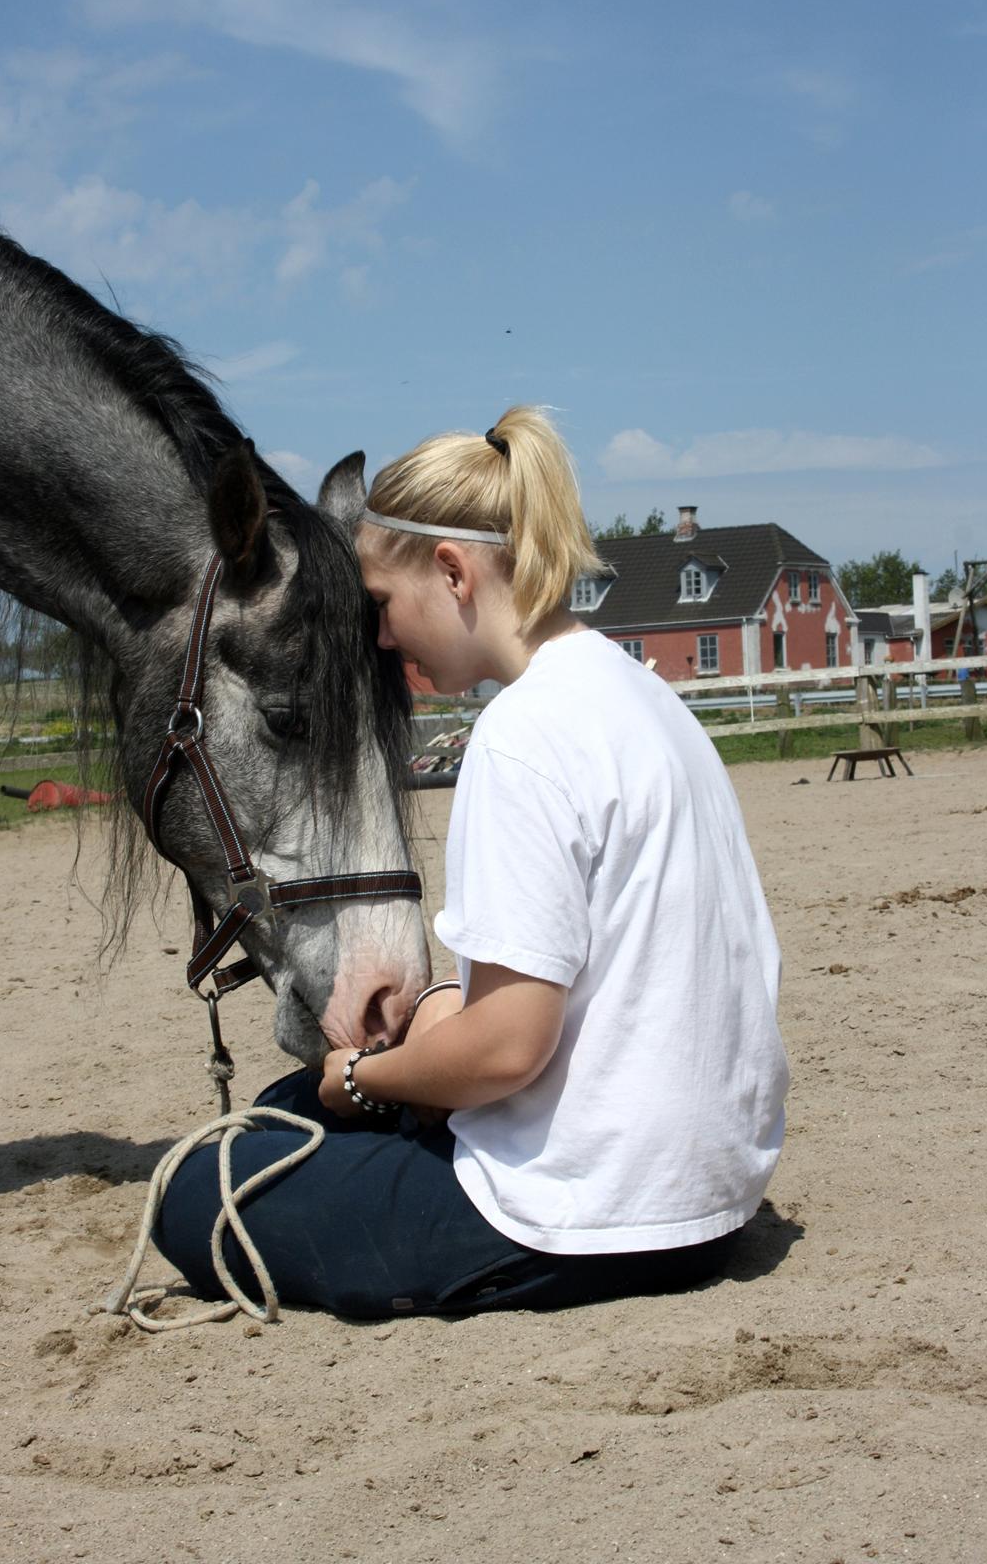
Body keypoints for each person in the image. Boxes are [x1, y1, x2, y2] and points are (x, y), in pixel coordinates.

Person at [154, 406, 789, 1318]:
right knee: (298, 1099)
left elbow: (506, 1051)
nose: (379, 639)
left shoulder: (520, 735)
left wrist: (365, 1076)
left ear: (450, 572)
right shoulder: (645, 699)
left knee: (207, 1184)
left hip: (589, 1218)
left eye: (380, 605)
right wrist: (434, 1017)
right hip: (712, 1194)